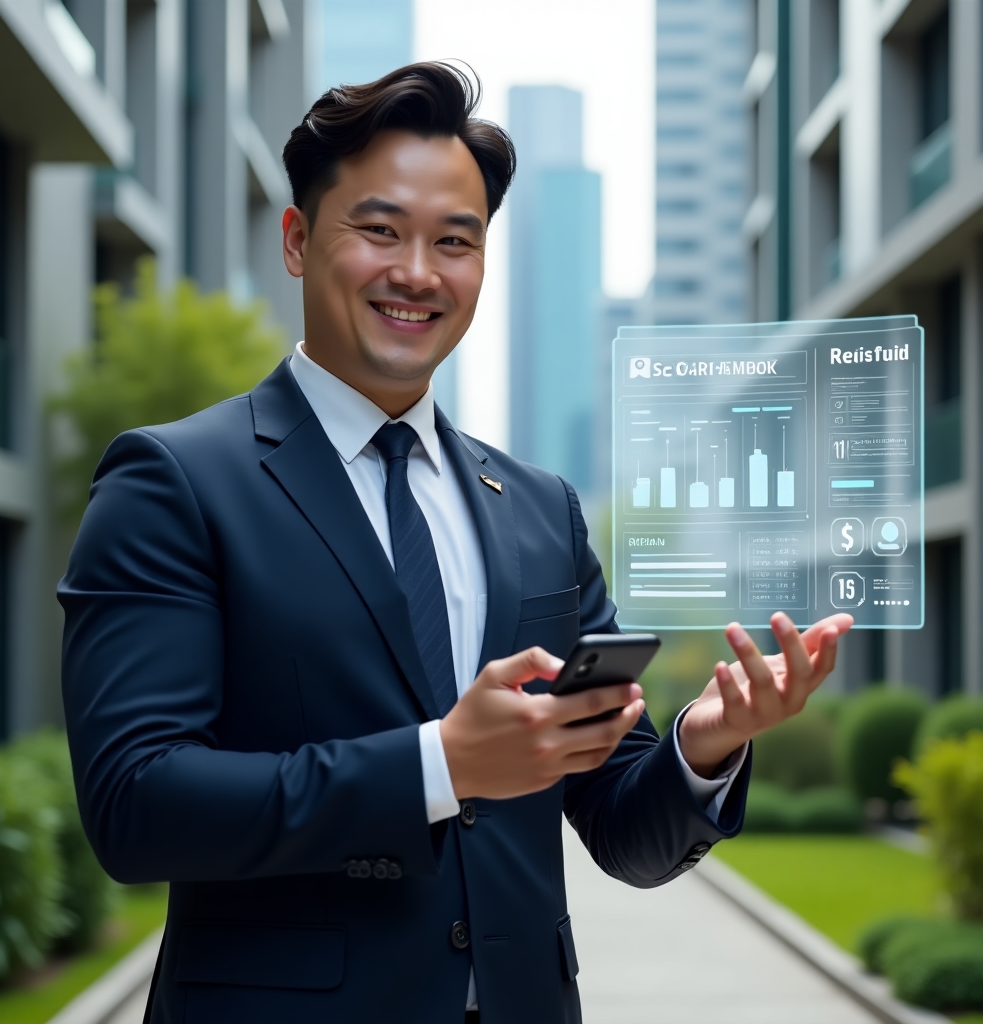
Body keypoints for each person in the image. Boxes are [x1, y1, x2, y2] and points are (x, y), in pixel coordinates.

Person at [59, 63, 852, 1024]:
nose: (419, 273)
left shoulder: (538, 508)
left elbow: (622, 834)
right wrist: (439, 763)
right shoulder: (175, 482)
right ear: (299, 241)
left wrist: (705, 743)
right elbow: (137, 806)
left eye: (456, 242)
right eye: (380, 230)